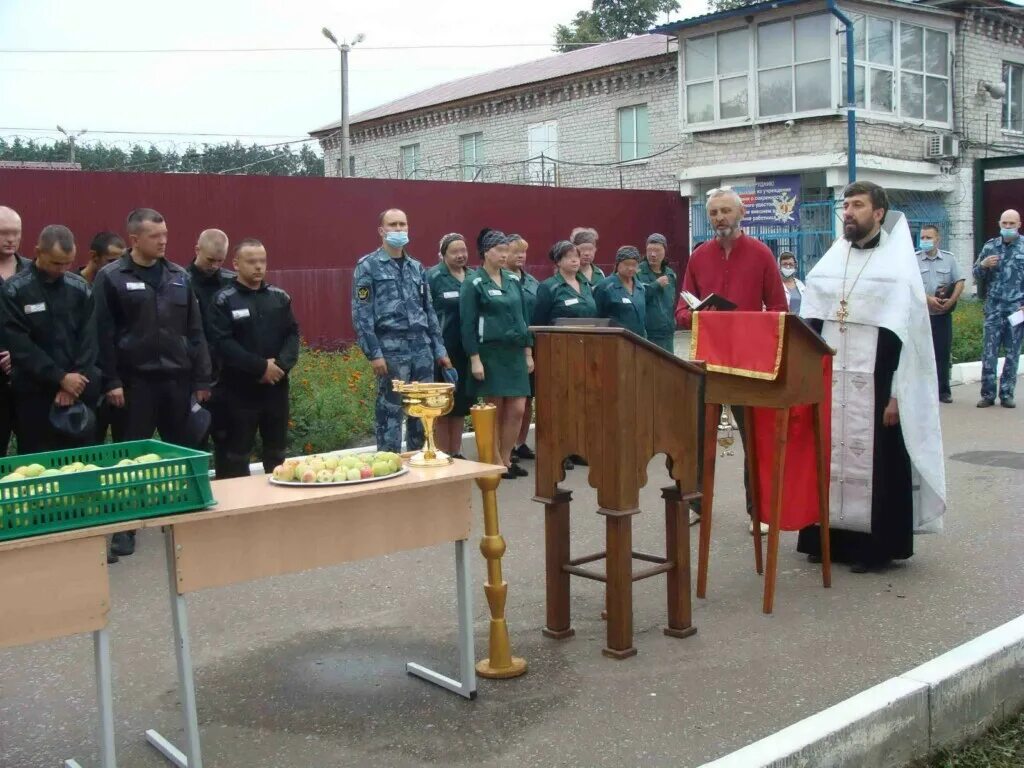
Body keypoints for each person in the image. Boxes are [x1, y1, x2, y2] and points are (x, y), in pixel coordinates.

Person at [798, 180, 946, 573]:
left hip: (878, 385)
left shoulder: (899, 271)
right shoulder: (832, 260)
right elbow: (812, 320)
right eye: (845, 205)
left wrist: (898, 395)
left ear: (879, 213)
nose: (848, 212)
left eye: (858, 205)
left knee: (878, 461)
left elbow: (911, 343)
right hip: (832, 383)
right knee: (828, 455)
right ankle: (828, 539)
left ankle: (875, 549)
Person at [93, 208, 213, 559]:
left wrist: (201, 377)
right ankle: (125, 529)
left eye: (165, 235)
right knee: (130, 457)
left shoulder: (178, 276)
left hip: (177, 381)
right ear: (134, 238)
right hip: (134, 384)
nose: (162, 241)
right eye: (154, 236)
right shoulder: (111, 277)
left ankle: (187, 520)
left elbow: (195, 330)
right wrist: (110, 380)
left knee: (184, 451)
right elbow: (102, 333)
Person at [677, 188, 789, 531]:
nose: (719, 218)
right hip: (707, 359)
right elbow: (681, 311)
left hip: (748, 360)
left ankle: (759, 511)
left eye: (726, 211)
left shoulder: (760, 253)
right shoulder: (699, 257)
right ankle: (695, 504)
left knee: (754, 437)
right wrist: (698, 315)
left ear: (740, 214)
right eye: (713, 213)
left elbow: (780, 309)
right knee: (697, 434)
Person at [352, 208, 450, 453]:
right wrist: (374, 353)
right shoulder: (368, 266)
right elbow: (362, 315)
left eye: (403, 224)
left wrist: (439, 349)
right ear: (381, 231)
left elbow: (429, 311)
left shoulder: (417, 268)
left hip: (422, 349)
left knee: (423, 411)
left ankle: (420, 461)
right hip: (391, 350)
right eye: (393, 224)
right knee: (391, 412)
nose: (399, 229)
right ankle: (390, 466)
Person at [1, 225, 99, 453]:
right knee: (37, 459)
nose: (62, 269)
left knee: (80, 459)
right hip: (34, 390)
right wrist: (59, 377)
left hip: (78, 388)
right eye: (56, 263)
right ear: (38, 251)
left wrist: (74, 380)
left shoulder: (80, 288)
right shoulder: (15, 290)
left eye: (68, 263)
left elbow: (89, 339)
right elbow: (20, 345)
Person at [206, 239, 299, 478]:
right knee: (234, 455)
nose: (258, 267)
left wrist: (279, 366)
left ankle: (279, 505)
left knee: (276, 453)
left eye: (262, 261)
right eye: (251, 261)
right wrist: (259, 367)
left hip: (275, 389)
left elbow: (292, 335)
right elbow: (222, 343)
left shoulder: (279, 297)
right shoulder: (223, 300)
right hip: (238, 391)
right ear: (236, 264)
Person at [460, 228, 533, 479]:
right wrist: (474, 358)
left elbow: (524, 318)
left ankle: (506, 456)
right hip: (489, 352)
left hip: (514, 353)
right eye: (499, 250)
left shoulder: (513, 280)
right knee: (495, 407)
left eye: (506, 250)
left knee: (518, 408)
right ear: (485, 252)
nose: (505, 255)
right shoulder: (474, 282)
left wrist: (528, 352)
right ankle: (493, 460)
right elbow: (467, 324)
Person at [533, 240, 599, 472]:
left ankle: (577, 448)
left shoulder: (585, 283)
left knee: (581, 402)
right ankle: (558, 450)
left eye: (577, 256)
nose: (575, 260)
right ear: (558, 261)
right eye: (569, 256)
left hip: (586, 351)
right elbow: (538, 322)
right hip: (558, 352)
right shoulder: (549, 287)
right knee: (560, 402)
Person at [426, 233, 473, 459]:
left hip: (468, 350)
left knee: (462, 402)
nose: (460, 255)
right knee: (443, 403)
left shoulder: (473, 276)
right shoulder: (433, 277)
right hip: (444, 350)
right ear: (443, 255)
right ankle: (442, 451)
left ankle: (456, 450)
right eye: (454, 251)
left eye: (463, 250)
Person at [973, 209, 1023, 409]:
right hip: (993, 309)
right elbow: (976, 274)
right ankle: (987, 394)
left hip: (1016, 311)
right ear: (999, 223)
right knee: (989, 353)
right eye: (1005, 223)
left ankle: (1007, 394)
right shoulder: (990, 247)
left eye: (1012, 224)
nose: (1008, 227)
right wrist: (984, 265)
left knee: (1012, 353)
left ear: (1019, 224)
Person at [81, 232, 128, 444]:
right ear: (94, 256)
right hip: (86, 379)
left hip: (117, 376)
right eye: (111, 260)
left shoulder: (121, 286)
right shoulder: (75, 285)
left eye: (121, 260)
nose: (116, 266)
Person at [917, 225, 964, 404]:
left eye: (929, 237)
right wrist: (928, 299)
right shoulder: (914, 260)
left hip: (943, 315)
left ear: (938, 239)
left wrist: (951, 300)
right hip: (922, 315)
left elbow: (959, 281)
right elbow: (910, 285)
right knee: (921, 353)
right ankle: (923, 391)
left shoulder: (949, 259)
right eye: (923, 237)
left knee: (942, 353)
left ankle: (943, 391)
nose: (925, 241)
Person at [0, 206, 32, 455]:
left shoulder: (33, 272)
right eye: (3, 233)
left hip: (31, 376)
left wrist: (20, 354)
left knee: (33, 450)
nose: (10, 239)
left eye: (16, 233)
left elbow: (49, 324)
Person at [507, 234, 540, 462]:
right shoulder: (502, 280)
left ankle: (520, 443)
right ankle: (505, 445)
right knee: (511, 400)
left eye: (523, 252)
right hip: (510, 346)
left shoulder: (532, 282)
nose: (520, 256)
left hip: (532, 345)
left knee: (528, 398)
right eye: (515, 251)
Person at [637, 233, 679, 352]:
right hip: (648, 333)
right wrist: (655, 285)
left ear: (665, 251)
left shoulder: (670, 274)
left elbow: (671, 301)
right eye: (649, 250)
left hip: (668, 332)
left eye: (657, 250)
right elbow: (636, 298)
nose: (653, 254)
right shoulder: (638, 273)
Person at [595, 246, 647, 338]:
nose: (630, 268)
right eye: (626, 264)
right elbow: (597, 317)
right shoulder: (605, 287)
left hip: (639, 341)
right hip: (614, 340)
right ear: (618, 264)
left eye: (634, 264)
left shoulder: (640, 287)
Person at [187, 229, 234, 319]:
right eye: (210, 260)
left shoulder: (233, 282)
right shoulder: (181, 280)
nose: (214, 266)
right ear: (197, 250)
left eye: (220, 260)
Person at [779, 251, 805, 315]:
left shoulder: (800, 284)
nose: (788, 267)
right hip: (783, 322)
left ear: (795, 266)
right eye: (785, 264)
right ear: (779, 266)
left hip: (801, 322)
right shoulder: (776, 285)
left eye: (791, 264)